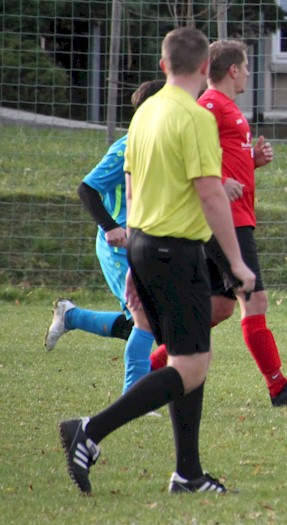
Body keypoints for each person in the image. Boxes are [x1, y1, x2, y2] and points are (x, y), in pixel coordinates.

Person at [58, 27, 256, 495]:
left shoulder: (145, 113)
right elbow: (210, 193)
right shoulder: (195, 117)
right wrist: (235, 262)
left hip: (144, 244)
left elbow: (131, 186)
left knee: (190, 358)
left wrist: (134, 257)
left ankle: (188, 474)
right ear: (206, 67)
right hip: (176, 249)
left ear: (164, 66)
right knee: (191, 367)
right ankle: (89, 430)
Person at [147, 39, 287, 407]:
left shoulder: (227, 108)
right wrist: (220, 182)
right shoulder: (209, 104)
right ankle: (278, 387)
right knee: (255, 299)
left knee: (220, 306)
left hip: (236, 216)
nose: (248, 74)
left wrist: (252, 160)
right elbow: (182, 149)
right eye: (245, 67)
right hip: (227, 220)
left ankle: (156, 364)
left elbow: (218, 157)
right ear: (232, 70)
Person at [45, 80, 164, 394]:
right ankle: (135, 396)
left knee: (146, 322)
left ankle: (72, 317)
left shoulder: (160, 147)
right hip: (119, 248)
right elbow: (87, 189)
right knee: (146, 320)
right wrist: (111, 226)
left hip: (147, 243)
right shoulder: (126, 148)